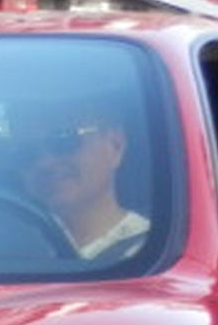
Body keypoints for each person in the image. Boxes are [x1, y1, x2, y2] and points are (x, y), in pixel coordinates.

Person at [19, 103, 148, 259]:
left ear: (115, 145)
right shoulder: (7, 249)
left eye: (63, 140)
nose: (44, 163)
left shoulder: (154, 254)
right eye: (25, 152)